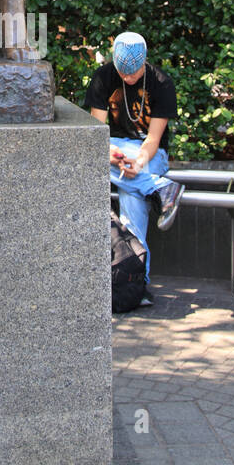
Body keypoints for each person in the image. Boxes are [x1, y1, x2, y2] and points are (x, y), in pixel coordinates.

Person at [84, 32, 184, 298]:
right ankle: (160, 189)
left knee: (131, 195)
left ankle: (135, 281)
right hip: (114, 150)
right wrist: (108, 152)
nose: (128, 78)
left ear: (145, 62)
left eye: (134, 73)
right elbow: (97, 132)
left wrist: (138, 163)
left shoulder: (161, 82)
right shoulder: (103, 77)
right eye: (123, 73)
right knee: (123, 186)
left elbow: (153, 139)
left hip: (151, 154)